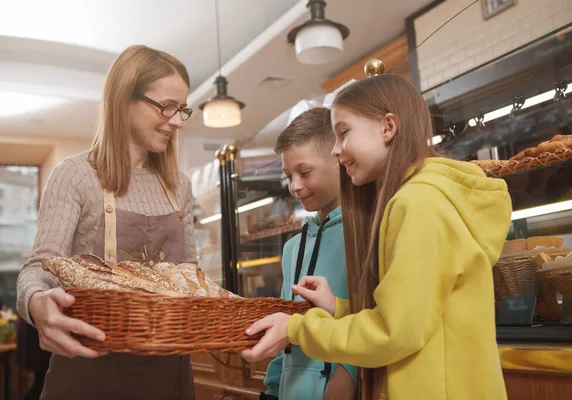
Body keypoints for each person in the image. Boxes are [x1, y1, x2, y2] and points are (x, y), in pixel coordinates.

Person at [240, 74, 512, 400]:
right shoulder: (419, 198)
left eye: (343, 134)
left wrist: (295, 329)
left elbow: (394, 332)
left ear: (388, 127)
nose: (337, 151)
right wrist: (339, 307)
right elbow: (411, 317)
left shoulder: (418, 202)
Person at [16, 44, 197, 400]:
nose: (177, 121)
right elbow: (39, 267)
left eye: (182, 110)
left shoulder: (180, 187)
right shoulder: (75, 176)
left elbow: (191, 277)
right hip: (89, 374)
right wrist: (36, 302)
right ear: (123, 99)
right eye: (167, 106)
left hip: (170, 376)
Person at [261, 107, 357, 400]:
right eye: (288, 176)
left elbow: (375, 320)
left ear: (339, 159)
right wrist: (272, 389)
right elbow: (285, 323)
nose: (295, 186)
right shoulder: (292, 249)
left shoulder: (365, 234)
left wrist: (348, 375)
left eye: (304, 172)